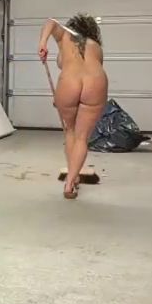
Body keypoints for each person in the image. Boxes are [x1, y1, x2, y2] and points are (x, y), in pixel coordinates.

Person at [38, 14, 108, 200]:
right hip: (95, 82)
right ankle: (70, 182)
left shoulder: (65, 35)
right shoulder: (96, 47)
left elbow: (51, 21)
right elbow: (95, 66)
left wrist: (43, 43)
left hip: (70, 82)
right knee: (82, 137)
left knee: (70, 131)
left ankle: (74, 176)